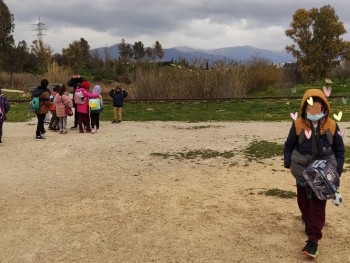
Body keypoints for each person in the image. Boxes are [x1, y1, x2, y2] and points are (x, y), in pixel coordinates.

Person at [284, 88, 344, 258]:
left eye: (317, 108)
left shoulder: (332, 125)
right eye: (310, 108)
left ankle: (313, 241)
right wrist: (288, 162)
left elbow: (339, 150)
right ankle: (307, 220)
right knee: (303, 202)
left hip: (323, 174)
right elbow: (289, 145)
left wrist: (337, 170)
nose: (314, 112)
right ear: (304, 108)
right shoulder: (297, 125)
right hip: (302, 171)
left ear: (324, 107)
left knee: (318, 205)